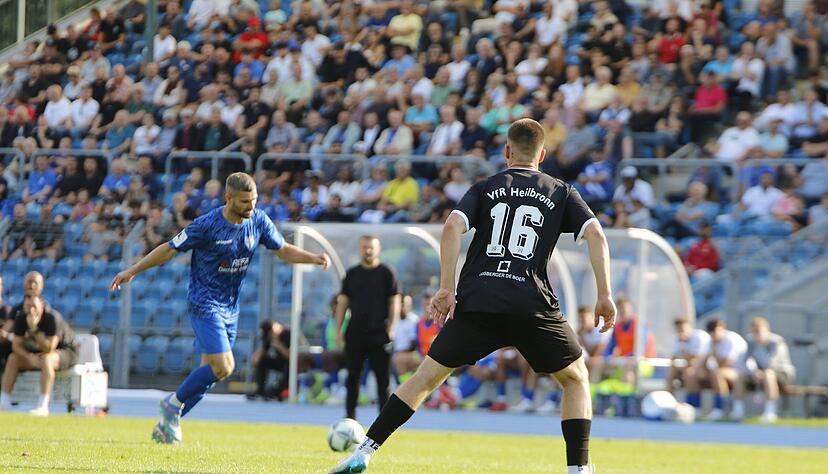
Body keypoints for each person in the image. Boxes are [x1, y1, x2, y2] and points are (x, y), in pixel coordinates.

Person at [330, 118, 616, 474]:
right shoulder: (561, 191)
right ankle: (578, 470)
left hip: (479, 299)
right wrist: (604, 294)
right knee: (575, 378)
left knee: (425, 378)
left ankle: (364, 452)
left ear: (507, 152)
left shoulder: (486, 187)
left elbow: (451, 226)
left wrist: (447, 287)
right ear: (541, 155)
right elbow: (597, 236)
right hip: (530, 301)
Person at [109, 172, 330, 445]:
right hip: (205, 303)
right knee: (225, 366)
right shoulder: (207, 225)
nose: (251, 206)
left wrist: (313, 258)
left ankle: (168, 425)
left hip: (231, 308)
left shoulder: (258, 220)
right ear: (228, 199)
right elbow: (169, 249)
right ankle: (172, 403)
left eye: (254, 200)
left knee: (208, 377)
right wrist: (133, 270)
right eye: (244, 202)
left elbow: (282, 249)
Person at [335, 235, 401, 420]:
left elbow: (394, 301)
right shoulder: (352, 274)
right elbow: (343, 303)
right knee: (352, 377)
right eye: (365, 247)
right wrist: (339, 330)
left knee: (383, 380)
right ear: (360, 248)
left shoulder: (387, 273)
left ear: (378, 249)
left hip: (380, 334)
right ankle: (350, 418)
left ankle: (384, 421)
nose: (368, 250)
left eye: (371, 247)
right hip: (355, 333)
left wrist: (392, 327)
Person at [0, 294, 79, 416]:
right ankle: (4, 401)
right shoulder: (21, 318)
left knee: (47, 359)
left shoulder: (52, 317)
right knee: (13, 358)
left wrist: (34, 328)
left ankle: (43, 405)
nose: (31, 310)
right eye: (28, 306)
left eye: (34, 306)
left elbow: (49, 348)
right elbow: (16, 346)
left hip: (67, 352)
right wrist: (29, 358)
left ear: (41, 306)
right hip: (37, 354)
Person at [738, 317, 795, 423]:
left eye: (758, 331)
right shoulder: (751, 342)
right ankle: (737, 411)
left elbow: (772, 363)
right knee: (741, 376)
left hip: (782, 374)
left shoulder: (777, 342)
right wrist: (753, 372)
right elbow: (744, 361)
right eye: (753, 331)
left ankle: (770, 412)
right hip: (759, 373)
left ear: (766, 330)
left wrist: (761, 372)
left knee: (769, 374)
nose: (756, 334)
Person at [699, 319, 748, 421]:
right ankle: (695, 409)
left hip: (742, 372)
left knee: (717, 374)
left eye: (716, 332)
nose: (714, 336)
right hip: (723, 372)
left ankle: (720, 409)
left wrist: (714, 350)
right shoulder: (711, 341)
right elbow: (703, 363)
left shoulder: (732, 339)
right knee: (692, 375)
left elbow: (724, 364)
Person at [666, 318, 711, 400]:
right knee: (671, 374)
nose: (680, 332)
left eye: (682, 329)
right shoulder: (678, 339)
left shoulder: (700, 336)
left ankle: (694, 405)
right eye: (678, 330)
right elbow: (674, 358)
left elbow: (697, 359)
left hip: (708, 368)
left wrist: (685, 355)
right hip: (691, 367)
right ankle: (669, 402)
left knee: (689, 374)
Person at [250, 320, 291, 401]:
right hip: (280, 363)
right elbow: (257, 360)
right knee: (263, 361)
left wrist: (278, 345)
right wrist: (258, 355)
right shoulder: (270, 337)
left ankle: (278, 391)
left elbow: (291, 357)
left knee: (288, 365)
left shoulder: (288, 333)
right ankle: (260, 390)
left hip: (292, 364)